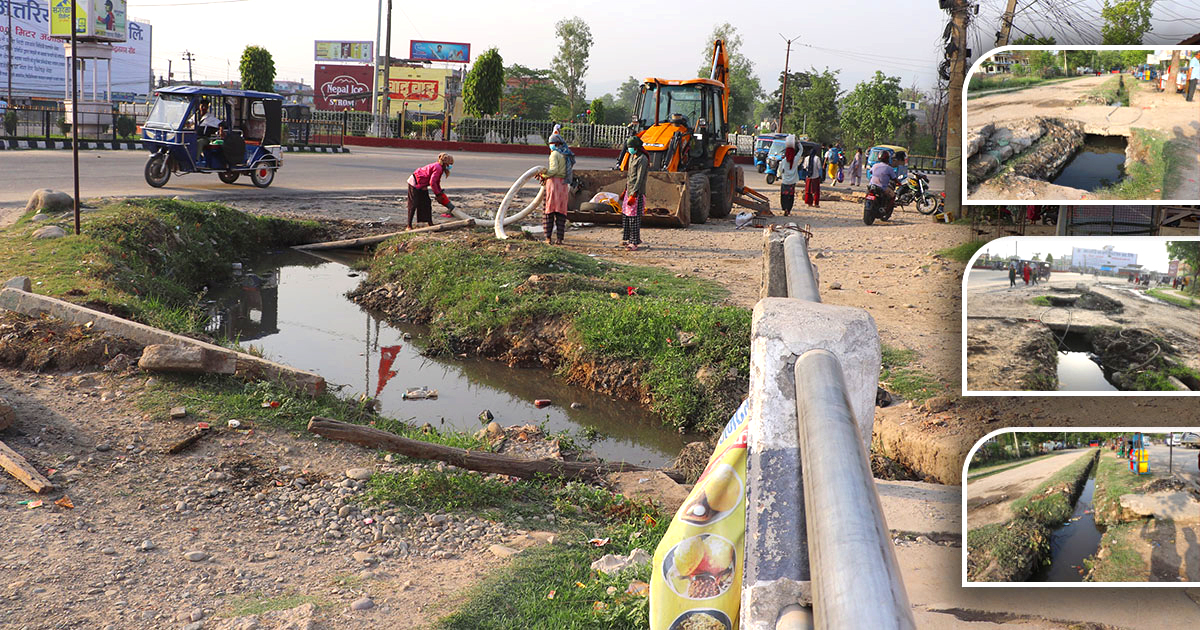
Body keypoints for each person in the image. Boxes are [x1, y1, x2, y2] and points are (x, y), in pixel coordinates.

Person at [406, 153, 455, 230]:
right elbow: (432, 182)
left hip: (422, 183)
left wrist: (439, 192)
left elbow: (437, 182)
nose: (451, 166)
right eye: (450, 164)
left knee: (427, 202)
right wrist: (437, 194)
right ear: (446, 163)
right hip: (415, 182)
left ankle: (429, 223)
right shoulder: (438, 168)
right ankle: (409, 225)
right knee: (413, 203)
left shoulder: (440, 168)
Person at [539, 132, 570, 245]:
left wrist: (543, 175)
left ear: (554, 144)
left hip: (554, 184)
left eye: (551, 143)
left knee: (549, 211)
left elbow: (554, 170)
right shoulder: (566, 154)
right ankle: (560, 239)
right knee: (561, 213)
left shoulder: (554, 154)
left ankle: (548, 238)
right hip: (564, 185)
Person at [621, 136, 648, 250]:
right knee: (626, 216)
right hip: (629, 190)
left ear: (636, 147)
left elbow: (640, 178)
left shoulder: (642, 159)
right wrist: (626, 190)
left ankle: (634, 242)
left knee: (634, 218)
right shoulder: (632, 156)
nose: (630, 149)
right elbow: (630, 176)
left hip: (636, 192)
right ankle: (627, 238)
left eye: (631, 147)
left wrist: (634, 193)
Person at [777, 135, 803, 217]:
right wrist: (798, 142)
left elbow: (779, 171)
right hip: (792, 182)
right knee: (790, 197)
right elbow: (801, 150)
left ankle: (784, 208)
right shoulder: (795, 159)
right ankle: (788, 209)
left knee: (784, 196)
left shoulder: (783, 161)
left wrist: (778, 175)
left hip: (785, 182)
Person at [196, 101, 224, 166]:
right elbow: (189, 122)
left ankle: (196, 160)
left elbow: (220, 123)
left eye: (205, 106)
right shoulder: (196, 116)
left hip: (205, 138)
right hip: (194, 136)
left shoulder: (210, 117)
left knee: (199, 142)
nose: (203, 108)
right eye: (202, 106)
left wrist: (221, 130)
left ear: (207, 108)